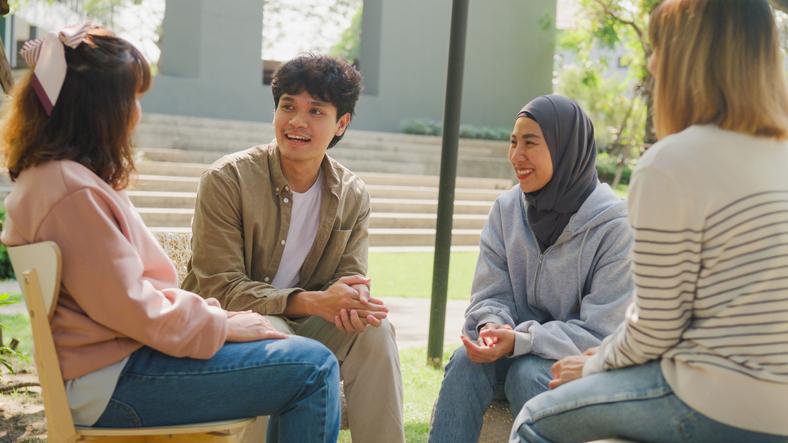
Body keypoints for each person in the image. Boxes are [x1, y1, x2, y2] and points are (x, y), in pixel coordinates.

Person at [0, 25, 340, 442]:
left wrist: (222, 319)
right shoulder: (71, 190)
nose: (137, 113)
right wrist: (222, 324)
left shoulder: (55, 178)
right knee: (313, 367)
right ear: (99, 109)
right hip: (115, 383)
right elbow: (131, 307)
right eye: (132, 99)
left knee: (296, 356)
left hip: (111, 370)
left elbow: (122, 297)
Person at [512, 1, 788, 442]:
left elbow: (656, 328)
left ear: (690, 61)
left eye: (659, 49)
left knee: (532, 420)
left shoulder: (672, 163)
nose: (653, 64)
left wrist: (593, 363)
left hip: (715, 400)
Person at [181, 54, 404, 443]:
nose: (297, 121)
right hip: (231, 325)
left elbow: (349, 279)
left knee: (375, 331)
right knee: (275, 332)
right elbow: (220, 287)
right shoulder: (226, 180)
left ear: (341, 123)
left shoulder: (352, 193)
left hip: (308, 326)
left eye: (316, 111)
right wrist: (314, 302)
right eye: (288, 107)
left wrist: (354, 300)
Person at [429, 94, 634, 443]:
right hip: (511, 354)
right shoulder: (506, 210)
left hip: (581, 368)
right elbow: (489, 294)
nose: (516, 156)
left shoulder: (615, 226)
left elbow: (604, 332)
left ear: (564, 147)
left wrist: (522, 341)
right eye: (513, 142)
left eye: (530, 143)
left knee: (528, 372)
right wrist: (493, 326)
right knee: (466, 361)